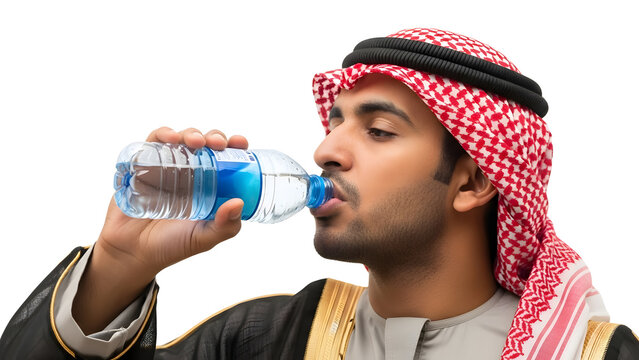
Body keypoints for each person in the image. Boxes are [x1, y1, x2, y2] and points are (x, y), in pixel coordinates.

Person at [1, 28, 637, 360]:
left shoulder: (592, 357)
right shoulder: (270, 339)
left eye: (380, 130)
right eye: (335, 123)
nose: (326, 150)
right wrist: (119, 266)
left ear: (472, 180)